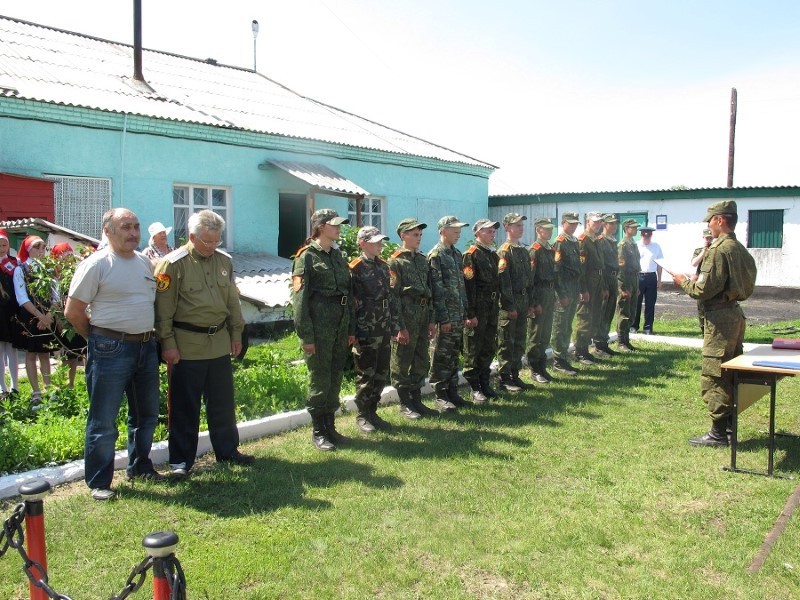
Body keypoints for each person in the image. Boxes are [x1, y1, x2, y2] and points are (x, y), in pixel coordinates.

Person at [65, 208, 163, 500]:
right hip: (110, 348)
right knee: (104, 419)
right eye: (126, 227)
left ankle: (140, 466)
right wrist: (98, 339)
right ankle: (100, 482)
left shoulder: (144, 262)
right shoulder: (97, 264)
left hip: (146, 346)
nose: (133, 233)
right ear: (107, 231)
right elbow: (73, 311)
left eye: (136, 226)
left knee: (146, 414)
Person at [155, 209, 255, 470]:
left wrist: (236, 333)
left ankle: (228, 451)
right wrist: (167, 343)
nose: (212, 246)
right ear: (192, 237)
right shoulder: (173, 264)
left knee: (222, 403)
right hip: (187, 345)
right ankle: (181, 460)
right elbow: (163, 310)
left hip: (219, 342)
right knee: (184, 407)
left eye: (217, 240)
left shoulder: (224, 261)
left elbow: (232, 301)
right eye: (207, 241)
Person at [672, 201, 757, 447]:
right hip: (734, 315)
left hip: (720, 321)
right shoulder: (738, 248)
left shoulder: (719, 250)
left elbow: (703, 289)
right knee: (730, 371)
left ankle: (718, 433)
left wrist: (682, 281)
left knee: (715, 374)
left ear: (720, 220)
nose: (709, 225)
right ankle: (728, 429)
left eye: (710, 220)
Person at [291, 208, 355, 450]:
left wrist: (350, 328)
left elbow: (348, 294)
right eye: (334, 225)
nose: (338, 228)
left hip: (340, 327)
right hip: (319, 329)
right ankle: (318, 431)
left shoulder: (337, 256)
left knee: (335, 376)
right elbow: (300, 301)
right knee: (320, 379)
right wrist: (306, 336)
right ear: (320, 227)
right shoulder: (306, 257)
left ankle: (330, 427)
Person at [389, 218, 437, 419]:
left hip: (423, 314)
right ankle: (405, 403)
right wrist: (399, 326)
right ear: (403, 236)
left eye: (420, 235)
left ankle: (417, 400)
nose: (419, 238)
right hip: (406, 315)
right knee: (402, 360)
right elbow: (393, 297)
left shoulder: (422, 260)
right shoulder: (395, 262)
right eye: (415, 234)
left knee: (421, 358)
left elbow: (429, 291)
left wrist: (432, 319)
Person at [349, 225, 396, 433]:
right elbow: (352, 304)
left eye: (380, 241)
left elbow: (390, 298)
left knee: (381, 372)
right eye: (375, 242)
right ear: (363, 244)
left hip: (383, 327)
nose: (380, 245)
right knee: (365, 373)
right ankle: (362, 414)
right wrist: (353, 332)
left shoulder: (383, 266)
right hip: (365, 328)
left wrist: (393, 325)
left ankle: (373, 411)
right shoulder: (355, 268)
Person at [428, 215, 472, 412]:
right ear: (443, 231)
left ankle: (453, 392)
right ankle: (440, 394)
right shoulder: (436, 255)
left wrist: (465, 313)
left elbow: (461, 287)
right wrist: (443, 318)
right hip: (445, 318)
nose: (458, 233)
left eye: (459, 230)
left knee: (453, 355)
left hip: (458, 315)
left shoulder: (456, 254)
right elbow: (436, 290)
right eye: (455, 230)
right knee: (441, 356)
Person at [12, 235, 56, 404]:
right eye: (37, 247)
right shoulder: (21, 269)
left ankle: (49, 388)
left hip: (47, 316)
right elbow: (22, 297)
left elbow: (56, 295)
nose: (41, 251)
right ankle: (36, 392)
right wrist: (40, 316)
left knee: (45, 353)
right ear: (29, 250)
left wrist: (49, 316)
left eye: (43, 247)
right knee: (31, 354)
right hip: (30, 317)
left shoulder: (48, 269)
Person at [462, 218, 500, 402]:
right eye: (488, 231)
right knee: (473, 347)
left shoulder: (492, 254)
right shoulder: (471, 255)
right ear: (477, 233)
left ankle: (485, 382)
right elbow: (468, 286)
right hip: (478, 306)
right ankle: (474, 386)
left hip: (492, 305)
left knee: (488, 344)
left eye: (493, 231)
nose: (492, 233)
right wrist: (470, 313)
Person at [497, 213, 533, 392]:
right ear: (507, 227)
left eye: (521, 225)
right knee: (507, 341)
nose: (521, 228)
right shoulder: (504, 251)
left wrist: (530, 303)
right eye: (517, 225)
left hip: (523, 299)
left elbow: (529, 279)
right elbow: (504, 282)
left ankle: (515, 374)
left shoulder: (523, 250)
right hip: (510, 302)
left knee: (519, 340)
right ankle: (504, 378)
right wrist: (509, 306)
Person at [549, 212, 582, 376]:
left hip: (573, 289)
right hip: (564, 290)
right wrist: (562, 294)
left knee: (567, 326)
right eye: (571, 223)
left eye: (576, 223)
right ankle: (558, 360)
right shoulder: (560, 242)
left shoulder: (574, 242)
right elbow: (556, 271)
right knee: (560, 326)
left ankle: (564, 357)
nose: (574, 226)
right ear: (563, 223)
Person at [50, 242, 86, 388]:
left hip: (76, 317)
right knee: (66, 354)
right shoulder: (54, 277)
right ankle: (64, 384)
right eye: (64, 257)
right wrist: (58, 318)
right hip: (63, 319)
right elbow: (55, 300)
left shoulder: (74, 274)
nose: (67, 260)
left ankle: (74, 383)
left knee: (78, 351)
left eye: (70, 256)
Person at [526, 218, 557, 384]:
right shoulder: (535, 250)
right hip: (539, 293)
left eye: (551, 229)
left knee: (545, 333)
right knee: (536, 333)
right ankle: (534, 368)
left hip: (549, 293)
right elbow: (531, 279)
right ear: (538, 230)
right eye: (546, 229)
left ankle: (542, 366)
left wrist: (555, 296)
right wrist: (534, 302)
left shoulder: (550, 249)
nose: (549, 232)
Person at [573, 211, 606, 364]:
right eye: (595, 222)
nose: (598, 225)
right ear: (588, 222)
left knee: (594, 316)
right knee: (584, 317)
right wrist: (583, 289)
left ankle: (586, 349)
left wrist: (603, 286)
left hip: (598, 282)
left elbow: (601, 265)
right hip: (588, 282)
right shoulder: (583, 240)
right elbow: (581, 268)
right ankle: (580, 351)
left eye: (600, 222)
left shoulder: (596, 240)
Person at [594, 214, 620, 356]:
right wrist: (603, 286)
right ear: (604, 224)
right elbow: (601, 265)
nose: (614, 226)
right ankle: (599, 344)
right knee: (603, 312)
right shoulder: (601, 241)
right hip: (605, 278)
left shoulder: (613, 241)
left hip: (613, 278)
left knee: (610, 311)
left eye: (615, 223)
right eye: (611, 223)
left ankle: (604, 342)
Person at [615, 219, 641, 352]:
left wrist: (637, 286)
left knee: (631, 311)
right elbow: (620, 268)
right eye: (633, 227)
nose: (636, 229)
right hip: (626, 280)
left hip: (634, 279)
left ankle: (626, 340)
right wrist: (623, 288)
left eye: (636, 227)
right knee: (624, 311)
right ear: (626, 228)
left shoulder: (633, 244)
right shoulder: (623, 245)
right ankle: (621, 341)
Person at [633, 226, 663, 334]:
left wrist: (659, 279)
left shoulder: (656, 246)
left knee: (650, 303)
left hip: (651, 276)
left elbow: (660, 264)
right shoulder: (635, 245)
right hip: (638, 276)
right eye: (644, 236)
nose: (646, 238)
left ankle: (648, 327)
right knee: (636, 302)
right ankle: (634, 326)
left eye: (648, 236)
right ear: (641, 235)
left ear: (651, 235)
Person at [0, 229, 19, 396]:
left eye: (4, 245)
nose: (1, 248)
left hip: (12, 311)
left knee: (12, 349)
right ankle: (2, 388)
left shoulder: (15, 262)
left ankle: (15, 386)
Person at [691, 228, 714, 333]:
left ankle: (711, 331)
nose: (708, 240)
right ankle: (703, 331)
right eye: (706, 238)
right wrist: (704, 251)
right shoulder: (698, 250)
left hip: (712, 282)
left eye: (710, 238)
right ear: (703, 238)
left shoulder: (716, 250)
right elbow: (694, 263)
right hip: (701, 282)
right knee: (701, 308)